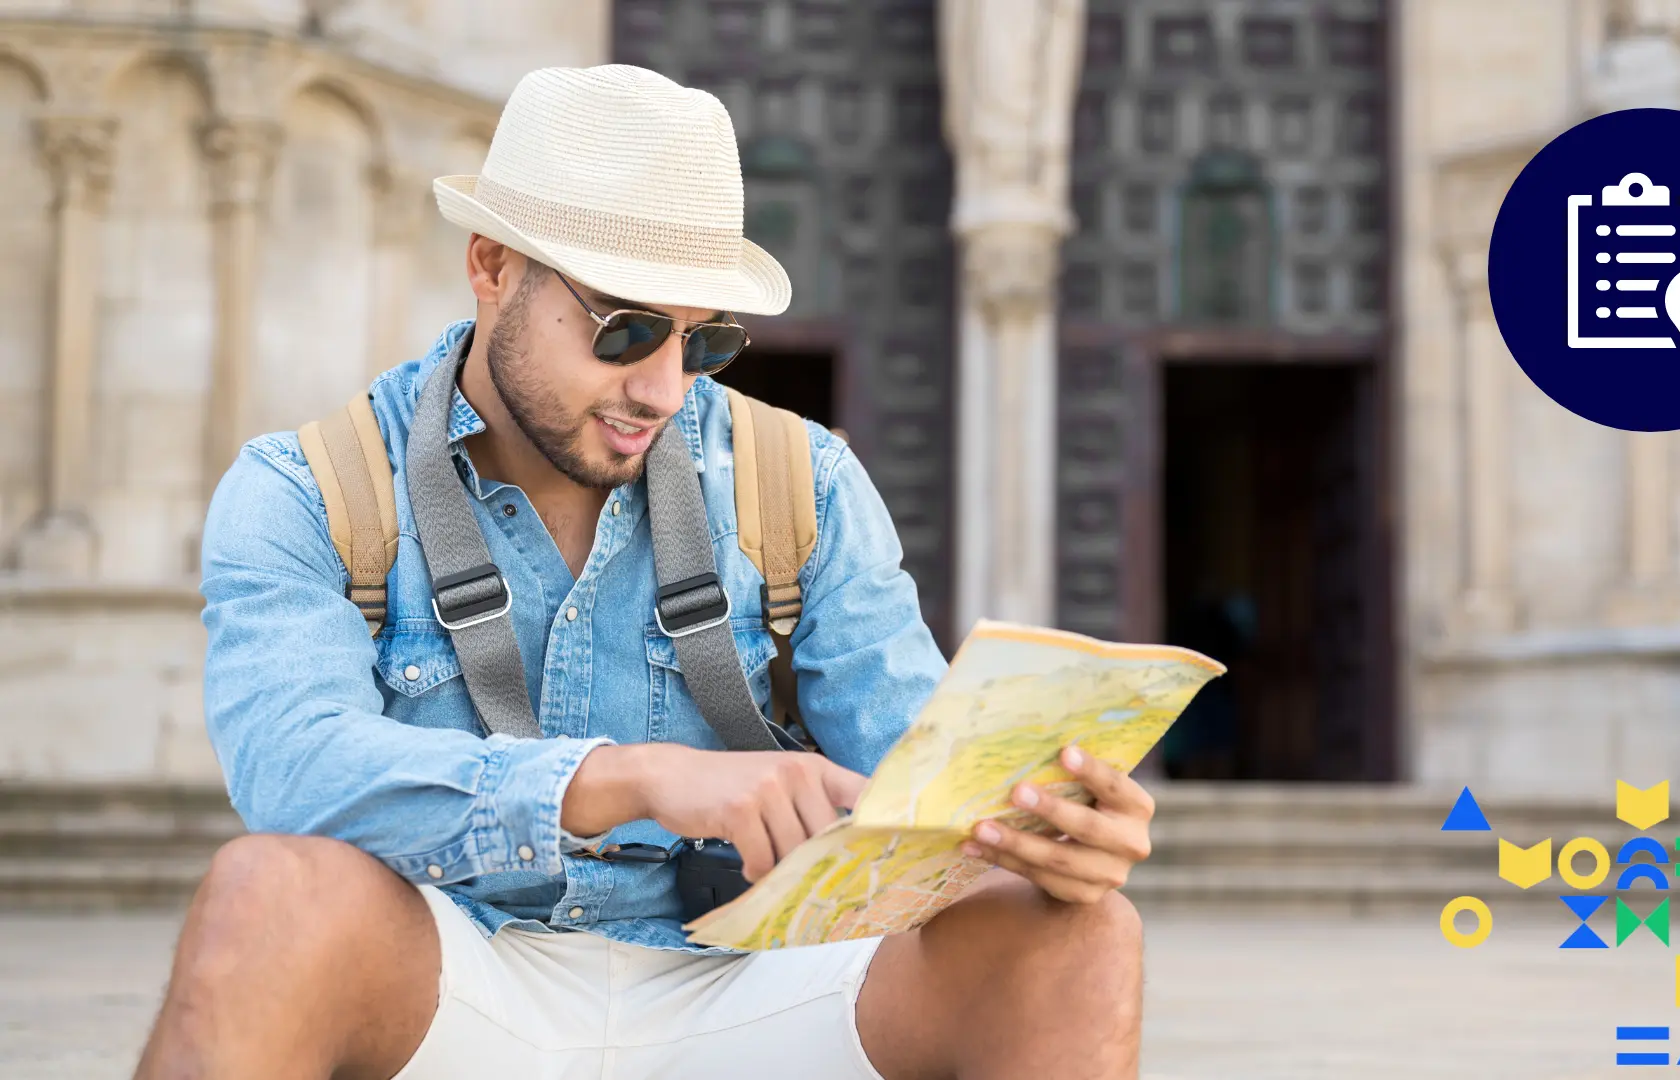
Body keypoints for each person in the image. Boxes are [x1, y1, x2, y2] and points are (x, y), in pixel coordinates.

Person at [133, 65, 1155, 1080]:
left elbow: (918, 792)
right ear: (491, 268)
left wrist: (1044, 835)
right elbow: (295, 773)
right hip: (450, 976)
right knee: (266, 894)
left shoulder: (805, 483)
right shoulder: (306, 489)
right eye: (623, 328)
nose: (663, 387)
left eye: (703, 338)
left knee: (1079, 933)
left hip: (746, 985)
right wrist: (629, 777)